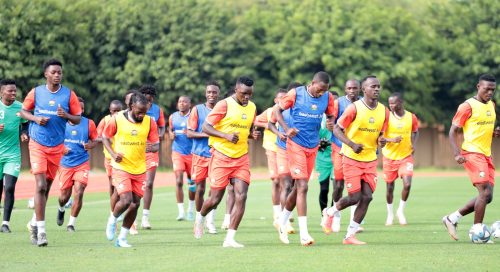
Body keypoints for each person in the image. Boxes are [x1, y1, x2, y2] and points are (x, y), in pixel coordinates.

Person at [21, 59, 82, 246]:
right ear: (46, 74)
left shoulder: (69, 95)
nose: (57, 75)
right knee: (39, 185)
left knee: (46, 188)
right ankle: (41, 232)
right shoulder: (36, 92)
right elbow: (23, 112)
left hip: (56, 146)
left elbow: (78, 118)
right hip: (37, 143)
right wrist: (35, 118)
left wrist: (67, 116)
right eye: (54, 72)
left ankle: (32, 223)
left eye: (60, 72)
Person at [193, 76, 260, 248]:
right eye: (244, 93)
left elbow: (245, 130)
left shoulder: (252, 107)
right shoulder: (224, 104)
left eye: (250, 94)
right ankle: (200, 217)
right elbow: (205, 127)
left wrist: (252, 135)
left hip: (241, 157)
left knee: (242, 195)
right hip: (221, 156)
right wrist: (225, 136)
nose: (247, 97)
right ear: (236, 90)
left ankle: (230, 238)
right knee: (215, 199)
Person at [322, 75, 389, 245]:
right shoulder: (354, 109)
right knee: (354, 197)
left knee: (367, 197)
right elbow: (337, 129)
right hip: (351, 157)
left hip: (370, 160)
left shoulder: (384, 111)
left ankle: (349, 236)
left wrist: (381, 140)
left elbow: (381, 134)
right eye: (373, 86)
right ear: (364, 89)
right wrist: (351, 144)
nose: (376, 89)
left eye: (378, 86)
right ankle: (330, 212)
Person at [274, 72, 336, 246]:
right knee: (302, 186)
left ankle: (282, 222)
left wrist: (331, 122)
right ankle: (304, 234)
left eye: (324, 90)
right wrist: (286, 128)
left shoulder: (328, 97)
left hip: (312, 146)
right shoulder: (296, 94)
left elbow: (331, 115)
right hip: (295, 145)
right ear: (312, 83)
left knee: (297, 188)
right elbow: (277, 110)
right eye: (319, 89)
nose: (320, 93)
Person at [443, 74, 499, 241]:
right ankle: (477, 231)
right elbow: (452, 131)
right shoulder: (467, 106)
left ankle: (452, 218)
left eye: (493, 90)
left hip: (486, 154)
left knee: (488, 196)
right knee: (484, 191)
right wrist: (456, 153)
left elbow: (484, 128)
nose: (490, 92)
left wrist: (495, 133)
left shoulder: (492, 105)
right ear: (478, 87)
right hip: (472, 153)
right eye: (486, 89)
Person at [103, 93, 159, 247]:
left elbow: (156, 145)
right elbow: (105, 137)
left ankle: (122, 238)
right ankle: (112, 220)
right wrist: (113, 154)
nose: (142, 115)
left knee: (135, 204)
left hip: (140, 168)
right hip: (121, 167)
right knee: (126, 200)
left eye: (145, 112)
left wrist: (152, 147)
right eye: (139, 111)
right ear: (131, 107)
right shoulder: (117, 119)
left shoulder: (150, 122)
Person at [56, 97, 98, 232]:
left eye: (82, 109)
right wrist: (62, 149)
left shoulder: (89, 123)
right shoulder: (60, 123)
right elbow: (53, 140)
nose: (80, 111)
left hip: (82, 163)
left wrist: (89, 145)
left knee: (79, 192)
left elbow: (95, 140)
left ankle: (71, 224)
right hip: (65, 164)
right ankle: (61, 208)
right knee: (64, 196)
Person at [187, 81, 221, 234]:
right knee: (200, 189)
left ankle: (210, 221)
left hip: (218, 155)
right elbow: (189, 132)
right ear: (205, 93)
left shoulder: (223, 109)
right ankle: (199, 220)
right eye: (209, 92)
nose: (211, 95)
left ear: (218, 94)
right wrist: (208, 133)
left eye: (214, 92)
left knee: (216, 190)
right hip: (200, 155)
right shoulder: (197, 110)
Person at [382, 92, 419, 226]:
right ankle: (390, 214)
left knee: (407, 184)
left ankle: (400, 211)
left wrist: (414, 144)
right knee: (390, 188)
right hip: (389, 157)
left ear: (401, 102)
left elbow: (415, 131)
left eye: (393, 103)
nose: (391, 105)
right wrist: (392, 139)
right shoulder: (386, 118)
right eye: (389, 103)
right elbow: (380, 138)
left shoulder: (411, 117)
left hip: (406, 156)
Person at [330, 80, 361, 232]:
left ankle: (353, 222)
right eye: (349, 88)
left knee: (356, 187)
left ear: (360, 89)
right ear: (345, 89)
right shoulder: (338, 103)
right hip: (339, 148)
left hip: (356, 151)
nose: (352, 90)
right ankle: (336, 215)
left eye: (355, 88)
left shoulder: (363, 104)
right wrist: (329, 124)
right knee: (338, 184)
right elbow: (331, 120)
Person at [253, 88, 287, 225]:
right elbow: (254, 121)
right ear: (275, 100)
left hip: (286, 150)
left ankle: (286, 212)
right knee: (276, 181)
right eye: (280, 98)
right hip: (272, 149)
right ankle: (277, 213)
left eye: (285, 98)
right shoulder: (269, 112)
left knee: (287, 182)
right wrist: (266, 125)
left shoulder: (290, 112)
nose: (283, 100)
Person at [0, 79, 29, 233]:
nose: (13, 93)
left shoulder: (20, 107)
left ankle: (5, 223)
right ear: (1, 92)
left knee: (9, 187)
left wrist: (24, 133)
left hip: (12, 154)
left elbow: (25, 123)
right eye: (10, 91)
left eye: (15, 90)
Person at [138, 85, 166, 229]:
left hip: (151, 151)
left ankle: (145, 217)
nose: (148, 104)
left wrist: (160, 136)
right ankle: (129, 216)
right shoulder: (133, 108)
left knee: (148, 183)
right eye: (145, 99)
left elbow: (162, 126)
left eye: (150, 100)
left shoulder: (157, 110)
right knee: (135, 186)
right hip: (135, 151)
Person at [169, 96, 195, 221]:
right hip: (177, 152)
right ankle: (181, 212)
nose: (181, 103)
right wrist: (171, 134)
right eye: (179, 101)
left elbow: (199, 131)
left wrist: (191, 134)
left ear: (190, 104)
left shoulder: (194, 116)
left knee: (192, 183)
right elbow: (170, 130)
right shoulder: (172, 117)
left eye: (185, 101)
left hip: (192, 154)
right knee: (179, 180)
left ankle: (190, 208)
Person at [96, 100, 124, 217]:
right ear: (110, 110)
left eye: (119, 111)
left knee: (122, 185)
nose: (116, 113)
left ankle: (120, 207)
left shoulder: (125, 120)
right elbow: (97, 136)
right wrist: (107, 139)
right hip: (109, 158)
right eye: (114, 111)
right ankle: (113, 209)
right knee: (112, 184)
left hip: (123, 159)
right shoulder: (106, 120)